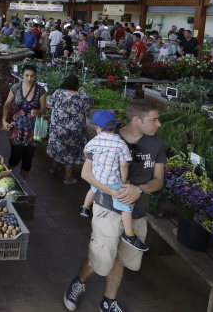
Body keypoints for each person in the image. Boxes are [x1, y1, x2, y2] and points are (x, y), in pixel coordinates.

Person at [64, 99, 165, 312]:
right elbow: (86, 174)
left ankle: (108, 302)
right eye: (154, 120)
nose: (159, 125)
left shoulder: (156, 144)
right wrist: (113, 191)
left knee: (121, 259)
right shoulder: (108, 138)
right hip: (107, 209)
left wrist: (140, 189)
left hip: (137, 213)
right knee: (99, 261)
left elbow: (158, 180)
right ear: (136, 120)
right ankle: (79, 282)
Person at [80, 110, 148, 253]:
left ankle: (85, 208)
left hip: (97, 178)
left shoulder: (95, 141)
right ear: (114, 127)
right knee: (127, 204)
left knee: (93, 189)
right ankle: (129, 234)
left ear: (97, 127)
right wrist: (123, 181)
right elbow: (123, 165)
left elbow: (86, 152)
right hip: (112, 181)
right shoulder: (120, 143)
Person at [1, 64, 47, 178]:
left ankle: (22, 183)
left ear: (35, 76)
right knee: (15, 157)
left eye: (32, 76)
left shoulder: (40, 90)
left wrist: (37, 112)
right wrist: (4, 120)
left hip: (31, 130)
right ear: (22, 75)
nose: (29, 79)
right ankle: (8, 178)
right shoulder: (16, 88)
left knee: (28, 158)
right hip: (16, 128)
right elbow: (7, 103)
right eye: (26, 75)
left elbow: (43, 109)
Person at [46, 75, 93, 185]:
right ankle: (68, 177)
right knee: (70, 152)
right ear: (77, 85)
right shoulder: (82, 96)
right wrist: (84, 92)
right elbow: (90, 104)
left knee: (58, 146)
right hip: (74, 131)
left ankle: (53, 168)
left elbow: (50, 103)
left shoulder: (58, 93)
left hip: (58, 129)